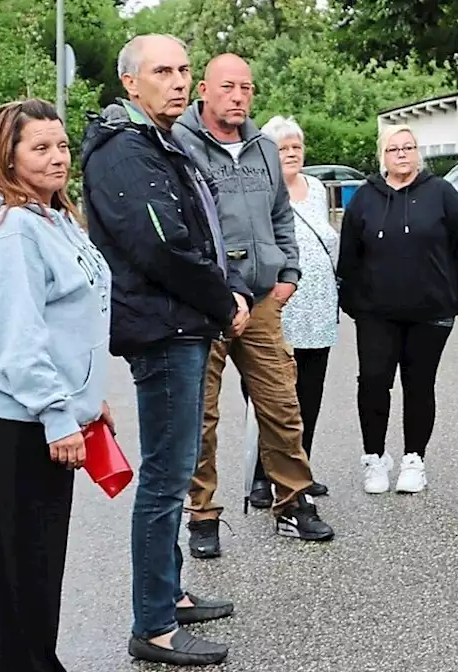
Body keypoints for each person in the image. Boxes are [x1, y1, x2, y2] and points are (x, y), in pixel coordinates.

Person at [82, 34, 247, 666]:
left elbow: (191, 232)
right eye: (162, 71)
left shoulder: (156, 141)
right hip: (165, 327)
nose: (178, 81)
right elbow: (161, 246)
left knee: (171, 475)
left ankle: (168, 595)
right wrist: (221, 299)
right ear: (130, 83)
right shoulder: (126, 152)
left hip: (178, 322)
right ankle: (153, 625)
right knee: (165, 480)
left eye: (183, 70)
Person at [0, 99, 111, 672]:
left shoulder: (51, 217)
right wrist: (56, 411)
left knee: (39, 570)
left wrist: (87, 401)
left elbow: (71, 320)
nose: (56, 159)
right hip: (21, 424)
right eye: (39, 148)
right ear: (9, 155)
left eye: (62, 145)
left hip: (50, 416)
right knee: (23, 572)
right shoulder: (11, 233)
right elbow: (20, 343)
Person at [173, 53, 334, 557]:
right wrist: (212, 292)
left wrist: (288, 275)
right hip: (205, 304)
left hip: (262, 300)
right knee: (200, 414)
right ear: (204, 89)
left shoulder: (264, 147)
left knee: (282, 404)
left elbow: (281, 216)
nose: (239, 96)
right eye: (228, 87)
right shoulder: (179, 143)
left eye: (246, 87)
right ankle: (201, 515)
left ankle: (292, 502)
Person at [337, 124, 458, 494]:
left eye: (409, 147)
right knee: (373, 382)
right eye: (394, 149)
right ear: (382, 157)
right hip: (375, 310)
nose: (402, 154)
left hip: (430, 310)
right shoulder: (365, 199)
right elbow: (349, 254)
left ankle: (414, 458)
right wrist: (350, 298)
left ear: (419, 153)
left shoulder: (443, 195)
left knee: (418, 385)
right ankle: (374, 457)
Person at [241, 115, 340, 509]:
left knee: (308, 394)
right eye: (282, 147)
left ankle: (301, 470)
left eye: (296, 146)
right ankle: (263, 477)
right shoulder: (258, 191)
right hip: (277, 310)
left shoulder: (316, 189)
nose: (291, 153)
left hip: (317, 309)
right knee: (271, 396)